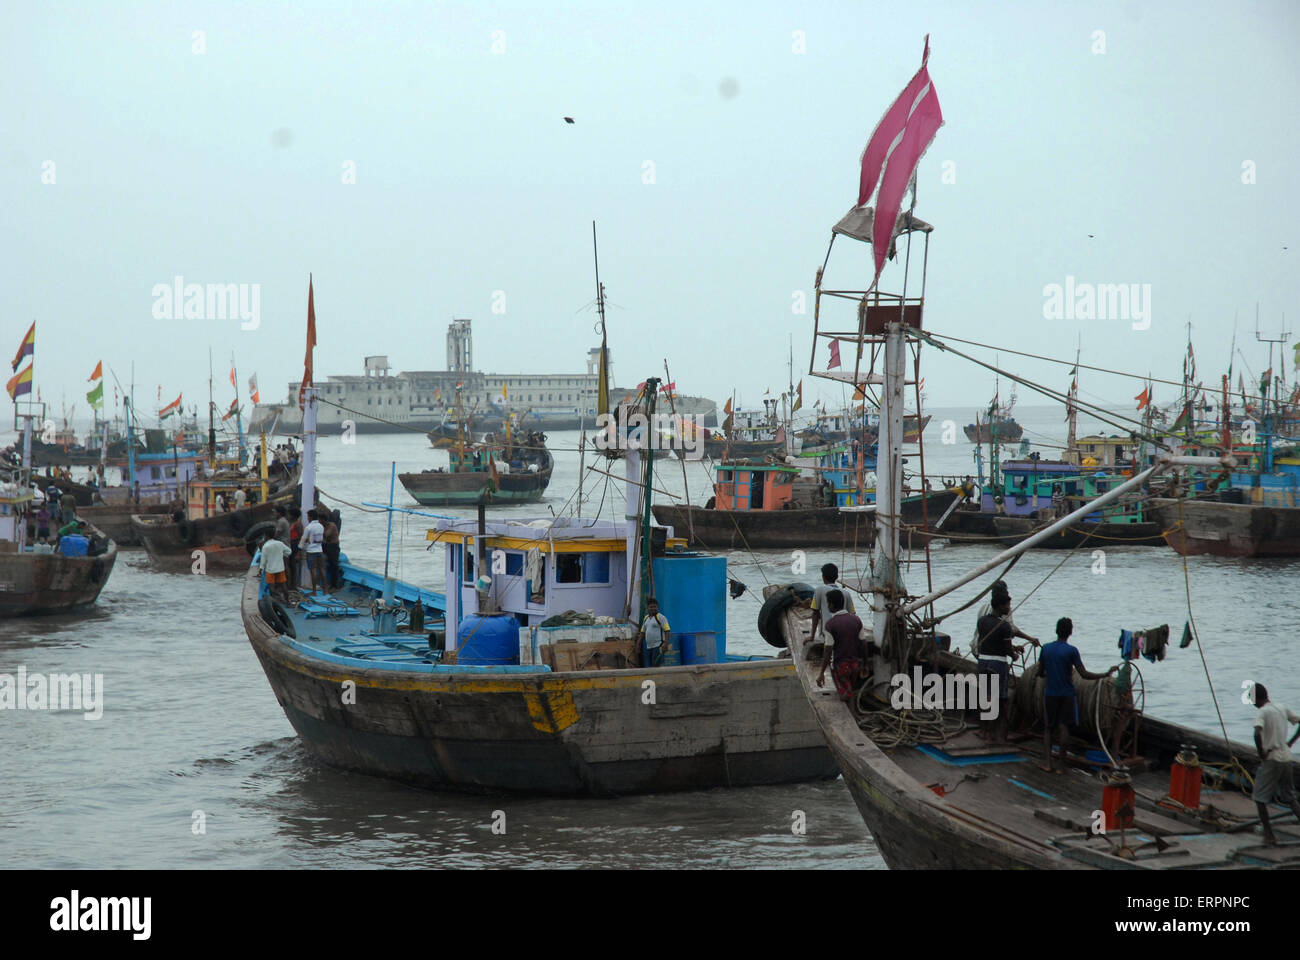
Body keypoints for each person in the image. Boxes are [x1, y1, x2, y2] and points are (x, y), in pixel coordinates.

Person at [1039, 617, 1116, 773]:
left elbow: (1041, 672)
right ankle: (1061, 766)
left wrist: (1047, 673)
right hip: (1067, 694)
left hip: (1050, 694)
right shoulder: (1071, 651)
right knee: (1064, 728)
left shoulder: (1046, 649)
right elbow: (1084, 674)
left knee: (1048, 728)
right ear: (1070, 633)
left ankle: (1047, 764)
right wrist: (1105, 674)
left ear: (1056, 630)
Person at [1251, 683, 1300, 846]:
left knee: (1259, 797)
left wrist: (1261, 753)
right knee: (1290, 796)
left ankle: (1269, 835)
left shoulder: (1262, 712)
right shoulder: (1281, 707)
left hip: (1272, 758)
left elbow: (1257, 732)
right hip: (1286, 757)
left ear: (1256, 699)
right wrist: (1291, 742)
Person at [975, 595, 1026, 743]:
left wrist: (1012, 648)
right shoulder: (1004, 626)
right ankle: (992, 734)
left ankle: (983, 731)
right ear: (1000, 606)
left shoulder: (982, 622)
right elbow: (1007, 650)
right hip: (998, 664)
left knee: (985, 697)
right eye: (1007, 605)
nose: (1009, 608)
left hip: (983, 661)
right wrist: (1015, 655)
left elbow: (988, 641)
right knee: (997, 700)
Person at [816, 589, 866, 704]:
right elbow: (863, 644)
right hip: (855, 664)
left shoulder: (830, 625)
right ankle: (853, 710)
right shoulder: (856, 620)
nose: (827, 606)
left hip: (841, 666)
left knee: (844, 695)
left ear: (832, 605)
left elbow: (828, 650)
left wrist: (821, 673)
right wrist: (865, 664)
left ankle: (849, 716)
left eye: (828, 603)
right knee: (851, 690)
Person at [971, 581, 1038, 657]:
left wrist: (1014, 648)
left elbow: (993, 637)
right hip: (987, 652)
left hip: (976, 647)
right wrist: (1030, 639)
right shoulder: (1003, 610)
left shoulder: (984, 607)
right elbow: (1012, 630)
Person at [810, 563, 855, 644]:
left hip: (826, 635)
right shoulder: (846, 593)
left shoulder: (819, 590)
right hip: (843, 635)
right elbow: (852, 615)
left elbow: (815, 613)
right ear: (837, 577)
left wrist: (812, 636)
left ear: (823, 577)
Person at [258, 533, 292, 602]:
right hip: (280, 568)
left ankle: (274, 603)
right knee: (283, 585)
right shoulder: (280, 543)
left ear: (267, 536)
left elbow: (263, 560)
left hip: (270, 569)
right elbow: (289, 551)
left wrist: (260, 569)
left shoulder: (265, 546)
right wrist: (282, 554)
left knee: (272, 587)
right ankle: (288, 602)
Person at [638, 597, 670, 668]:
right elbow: (642, 632)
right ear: (647, 608)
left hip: (658, 646)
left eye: (655, 607)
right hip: (648, 647)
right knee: (647, 666)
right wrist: (638, 644)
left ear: (657, 607)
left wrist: (666, 644)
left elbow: (667, 630)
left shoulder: (661, 617)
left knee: (656, 666)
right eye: (651, 607)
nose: (653, 608)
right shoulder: (646, 618)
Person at [299, 508, 326, 594]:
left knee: (313, 570)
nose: (307, 518)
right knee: (322, 569)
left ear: (310, 517)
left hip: (311, 552)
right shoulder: (321, 526)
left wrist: (299, 549)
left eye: (308, 516)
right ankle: (325, 590)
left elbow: (303, 539)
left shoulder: (309, 527)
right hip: (320, 550)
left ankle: (314, 591)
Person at [322, 510, 341, 591]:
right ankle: (327, 584)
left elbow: (327, 535)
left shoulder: (332, 525)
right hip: (326, 546)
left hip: (333, 547)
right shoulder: (323, 526)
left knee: (334, 566)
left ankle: (334, 586)